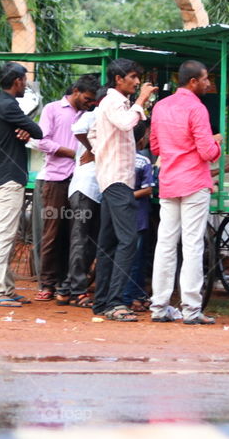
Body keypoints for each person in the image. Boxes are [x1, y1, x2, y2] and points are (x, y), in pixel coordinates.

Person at [149, 60, 221, 325]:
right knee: (192, 245)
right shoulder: (196, 108)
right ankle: (191, 308)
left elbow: (155, 147)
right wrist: (216, 145)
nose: (207, 83)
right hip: (194, 182)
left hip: (169, 182)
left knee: (165, 244)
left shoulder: (160, 106)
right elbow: (206, 152)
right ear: (193, 81)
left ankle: (159, 306)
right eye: (205, 79)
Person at [89, 58, 157, 322]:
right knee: (129, 240)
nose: (137, 82)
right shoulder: (114, 101)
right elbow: (127, 124)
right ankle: (116, 302)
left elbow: (94, 134)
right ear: (119, 79)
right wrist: (141, 101)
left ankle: (103, 302)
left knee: (108, 243)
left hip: (111, 179)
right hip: (117, 181)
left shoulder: (109, 103)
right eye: (133, 77)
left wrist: (102, 154)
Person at [33, 76, 99, 303]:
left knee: (76, 235)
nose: (89, 103)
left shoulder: (89, 114)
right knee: (52, 233)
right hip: (56, 179)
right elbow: (41, 141)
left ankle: (65, 282)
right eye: (87, 98)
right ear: (76, 91)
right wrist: (73, 153)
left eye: (92, 101)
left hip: (80, 181)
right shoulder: (53, 109)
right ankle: (47, 282)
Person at [0, 62, 43, 307]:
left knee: (6, 233)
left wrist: (25, 131)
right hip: (10, 177)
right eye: (25, 80)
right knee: (5, 235)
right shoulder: (9, 106)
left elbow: (30, 132)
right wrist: (27, 131)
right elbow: (38, 131)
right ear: (17, 80)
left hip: (5, 174)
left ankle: (5, 288)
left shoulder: (1, 104)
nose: (26, 84)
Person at [66, 87, 106, 308]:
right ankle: (77, 291)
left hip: (98, 188)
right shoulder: (93, 115)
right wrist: (92, 149)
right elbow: (78, 129)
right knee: (81, 241)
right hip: (85, 187)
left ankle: (70, 287)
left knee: (90, 242)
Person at [121, 121, 155, 313]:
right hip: (138, 216)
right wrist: (128, 196)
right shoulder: (143, 161)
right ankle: (130, 297)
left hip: (119, 214)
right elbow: (148, 189)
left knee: (126, 257)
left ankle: (134, 295)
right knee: (136, 260)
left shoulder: (117, 157)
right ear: (142, 139)